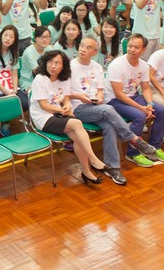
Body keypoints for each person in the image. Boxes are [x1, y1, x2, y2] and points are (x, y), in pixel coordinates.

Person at [68, 36, 158, 186]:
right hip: (78, 108)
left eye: (88, 47)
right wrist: (80, 96)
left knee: (110, 126)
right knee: (109, 109)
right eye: (82, 45)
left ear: (95, 51)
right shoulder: (69, 67)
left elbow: (100, 91)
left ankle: (113, 167)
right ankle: (134, 139)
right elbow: (63, 93)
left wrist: (99, 97)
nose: (83, 49)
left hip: (96, 107)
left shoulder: (96, 67)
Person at [28, 50, 108, 185]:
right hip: (42, 118)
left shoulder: (64, 79)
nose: (53, 66)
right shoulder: (40, 79)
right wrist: (62, 110)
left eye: (57, 63)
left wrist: (67, 106)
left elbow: (65, 98)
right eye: (50, 62)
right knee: (77, 124)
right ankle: (93, 159)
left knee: (78, 137)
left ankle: (86, 172)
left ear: (63, 66)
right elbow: (44, 106)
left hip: (57, 115)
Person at [104, 34, 164, 167]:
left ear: (143, 49)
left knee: (162, 110)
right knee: (140, 116)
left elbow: (146, 88)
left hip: (133, 96)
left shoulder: (144, 66)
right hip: (113, 100)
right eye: (130, 46)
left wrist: (150, 104)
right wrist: (142, 108)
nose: (132, 49)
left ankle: (154, 147)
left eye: (136, 47)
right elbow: (119, 94)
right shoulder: (116, 65)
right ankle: (132, 153)